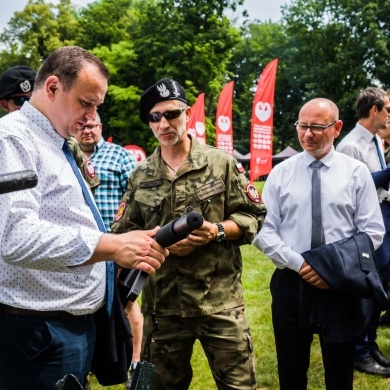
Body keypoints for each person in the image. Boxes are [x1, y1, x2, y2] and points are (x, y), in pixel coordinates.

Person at [0, 46, 168, 390]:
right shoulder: (13, 137)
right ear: (51, 88)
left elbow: (64, 220)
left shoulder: (55, 139)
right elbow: (14, 237)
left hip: (65, 325)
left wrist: (115, 255)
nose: (91, 116)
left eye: (97, 106)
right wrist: (109, 245)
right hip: (38, 331)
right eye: (85, 102)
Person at [111, 78, 266, 390]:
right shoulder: (141, 176)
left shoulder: (220, 163)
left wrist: (217, 230)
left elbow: (253, 214)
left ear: (187, 114)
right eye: (155, 117)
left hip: (221, 303)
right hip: (163, 308)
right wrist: (154, 240)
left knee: (239, 386)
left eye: (172, 114)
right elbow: (122, 234)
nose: (164, 123)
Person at [253, 98, 385, 389]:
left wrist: (331, 268)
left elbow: (372, 231)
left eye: (317, 127)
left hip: (340, 285)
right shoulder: (281, 173)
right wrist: (302, 265)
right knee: (291, 367)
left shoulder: (355, 172)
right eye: (302, 126)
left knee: (340, 371)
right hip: (291, 281)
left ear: (337, 128)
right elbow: (263, 231)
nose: (308, 134)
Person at [71, 114, 143, 387]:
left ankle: (133, 362)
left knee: (126, 303)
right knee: (86, 307)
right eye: (81, 125)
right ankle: (90, 365)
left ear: (101, 127)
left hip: (118, 246)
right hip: (82, 246)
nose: (87, 130)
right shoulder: (67, 156)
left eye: (92, 126)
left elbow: (135, 195)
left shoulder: (119, 156)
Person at [336, 87, 390, 376]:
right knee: (369, 286)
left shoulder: (374, 142)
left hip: (383, 216)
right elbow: (355, 188)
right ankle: (359, 350)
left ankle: (370, 345)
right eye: (388, 110)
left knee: (379, 283)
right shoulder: (350, 145)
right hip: (365, 224)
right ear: (374, 110)